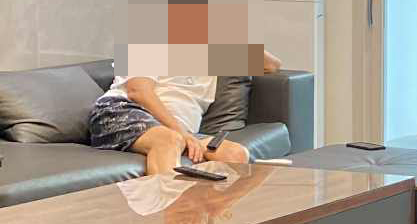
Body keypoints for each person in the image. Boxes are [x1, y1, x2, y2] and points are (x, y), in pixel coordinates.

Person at [86, 50, 281, 178]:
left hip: (179, 130)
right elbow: (138, 92)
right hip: (120, 111)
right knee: (170, 140)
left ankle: (212, 216)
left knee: (235, 154)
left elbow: (271, 65)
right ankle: (169, 219)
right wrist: (181, 133)